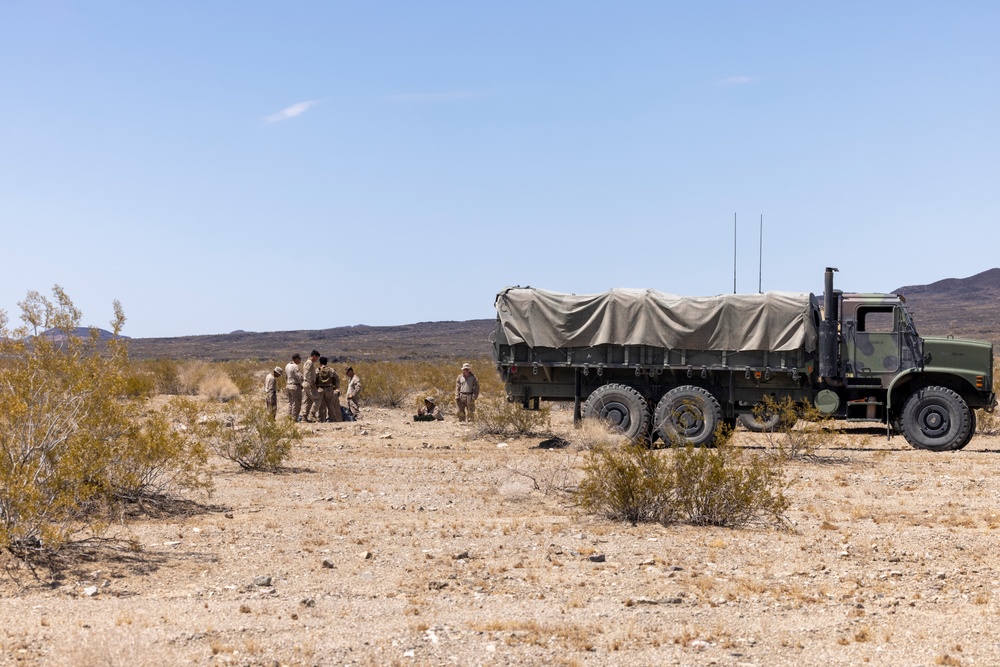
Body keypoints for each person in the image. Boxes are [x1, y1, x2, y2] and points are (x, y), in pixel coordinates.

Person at [316, 356, 343, 423]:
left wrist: (315, 387)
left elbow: (313, 379)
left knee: (321, 405)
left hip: (320, 389)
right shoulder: (331, 370)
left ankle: (321, 419)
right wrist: (335, 387)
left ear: (320, 362)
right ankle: (331, 419)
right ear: (326, 362)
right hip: (329, 389)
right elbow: (337, 378)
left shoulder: (318, 370)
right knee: (330, 404)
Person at [301, 350, 321, 422]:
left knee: (307, 401)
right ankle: (312, 414)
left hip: (306, 384)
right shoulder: (309, 363)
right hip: (309, 384)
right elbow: (307, 374)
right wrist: (312, 383)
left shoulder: (308, 362)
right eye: (317, 358)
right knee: (317, 399)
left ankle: (304, 417)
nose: (317, 359)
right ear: (314, 356)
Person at [284, 354, 304, 421]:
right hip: (295, 386)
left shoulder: (287, 365)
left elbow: (286, 376)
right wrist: (303, 383)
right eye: (299, 358)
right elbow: (299, 376)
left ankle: (289, 417)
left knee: (290, 403)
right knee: (296, 403)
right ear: (295, 359)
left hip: (288, 385)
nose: (300, 360)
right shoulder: (295, 366)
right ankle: (294, 418)